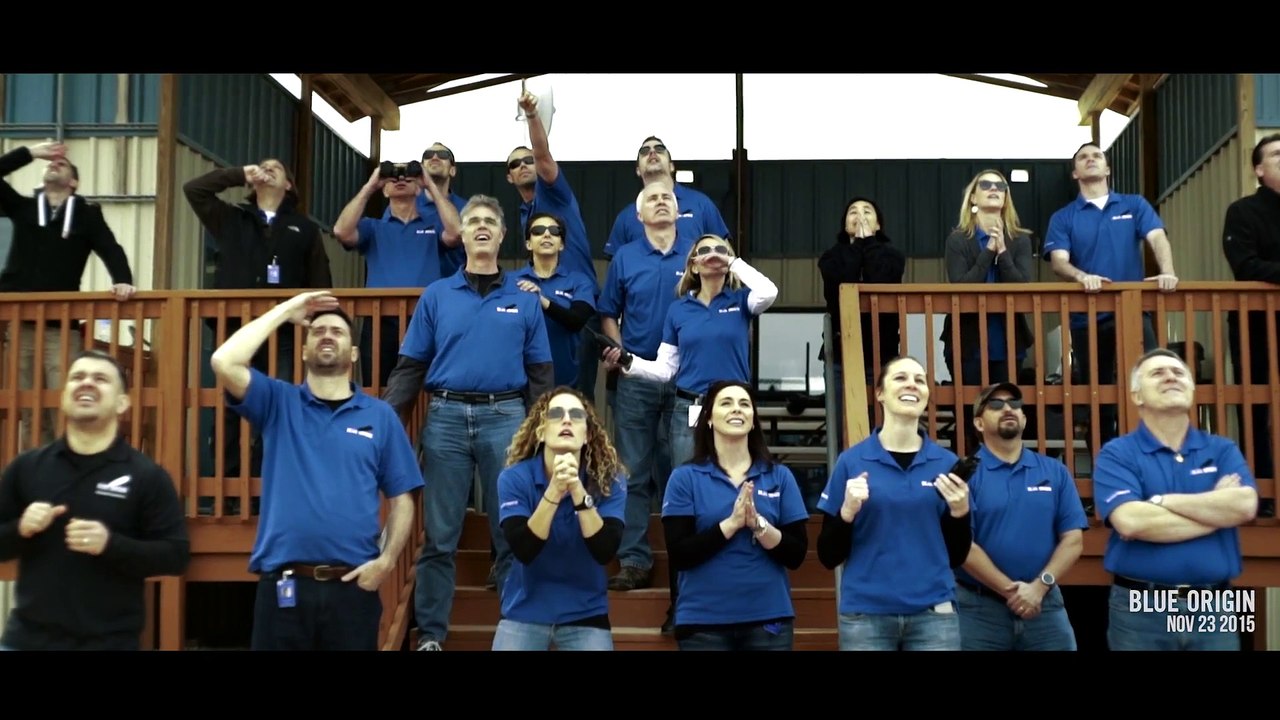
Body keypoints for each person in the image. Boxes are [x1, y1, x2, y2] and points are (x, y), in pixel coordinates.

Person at [383, 194, 554, 651]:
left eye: (489, 221)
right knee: (440, 535)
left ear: (501, 235)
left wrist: (542, 436)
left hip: (507, 419)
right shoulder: (438, 295)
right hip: (446, 420)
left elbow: (541, 376)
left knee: (512, 529)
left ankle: (519, 630)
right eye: (472, 220)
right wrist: (384, 421)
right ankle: (432, 636)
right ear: (461, 235)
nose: (480, 226)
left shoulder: (524, 299)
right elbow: (410, 367)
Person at [211, 292, 422, 650]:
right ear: (305, 351)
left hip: (352, 589)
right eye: (318, 330)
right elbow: (223, 360)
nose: (327, 335)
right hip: (284, 589)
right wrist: (283, 312)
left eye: (338, 332)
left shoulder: (380, 416)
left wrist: (386, 563)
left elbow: (403, 500)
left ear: (354, 354)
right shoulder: (278, 402)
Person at [0, 350, 189, 650]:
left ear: (122, 403)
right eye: (77, 377)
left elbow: (176, 556)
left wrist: (110, 545)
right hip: (27, 641)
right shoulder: (26, 468)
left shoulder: (146, 476)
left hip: (110, 643)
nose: (86, 383)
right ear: (64, 397)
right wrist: (20, 529)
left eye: (100, 379)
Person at [1093, 349, 1258, 651]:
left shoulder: (1222, 449)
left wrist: (1160, 501)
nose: (1171, 376)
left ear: (1192, 390)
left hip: (1214, 606)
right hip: (1139, 608)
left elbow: (1244, 507)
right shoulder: (1117, 454)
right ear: (1137, 395)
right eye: (1157, 373)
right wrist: (1215, 510)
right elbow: (1130, 522)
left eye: (1179, 372)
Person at [184, 157, 333, 478]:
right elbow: (194, 190)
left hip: (285, 334)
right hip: (236, 329)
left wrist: (320, 326)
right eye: (262, 166)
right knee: (231, 407)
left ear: (288, 184)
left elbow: (320, 280)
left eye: (276, 168)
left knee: (279, 405)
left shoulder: (304, 227)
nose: (267, 169)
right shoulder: (232, 218)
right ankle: (229, 487)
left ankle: (269, 481)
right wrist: (239, 173)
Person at [816, 355, 971, 651]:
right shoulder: (852, 461)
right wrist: (847, 511)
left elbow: (956, 556)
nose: (912, 385)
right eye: (900, 378)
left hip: (934, 614)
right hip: (866, 615)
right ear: (880, 394)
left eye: (920, 380)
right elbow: (827, 555)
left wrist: (960, 512)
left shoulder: (946, 463)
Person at [0, 142, 137, 450]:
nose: (54, 165)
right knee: (29, 409)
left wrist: (123, 281)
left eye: (62, 165)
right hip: (20, 326)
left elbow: (110, 249)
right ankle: (35, 479)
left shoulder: (86, 216)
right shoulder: (23, 208)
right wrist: (31, 154)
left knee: (62, 407)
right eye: (50, 164)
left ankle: (68, 471)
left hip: (60, 329)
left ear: (74, 182)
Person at [1043, 142, 1176, 446]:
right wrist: (1082, 276)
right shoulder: (1063, 217)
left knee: (1150, 382)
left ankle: (1153, 458)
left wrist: (1167, 271)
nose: (1090, 160)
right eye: (1083, 157)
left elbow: (1157, 237)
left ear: (1107, 169)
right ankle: (1105, 469)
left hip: (1132, 311)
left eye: (1096, 156)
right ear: (1075, 173)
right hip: (1086, 318)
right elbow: (1059, 262)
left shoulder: (1134, 204)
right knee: (1097, 396)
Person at [606, 234, 778, 468]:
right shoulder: (678, 310)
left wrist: (733, 262)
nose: (713, 252)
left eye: (720, 249)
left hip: (733, 404)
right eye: (705, 250)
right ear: (694, 266)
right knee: (687, 475)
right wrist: (629, 362)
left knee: (735, 473)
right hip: (690, 406)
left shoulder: (741, 301)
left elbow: (769, 292)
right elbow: (666, 370)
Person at [662, 380, 809, 650]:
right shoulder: (684, 478)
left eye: (744, 404)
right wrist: (731, 524)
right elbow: (680, 554)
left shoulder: (779, 476)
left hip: (768, 620)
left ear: (753, 420)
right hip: (702, 623)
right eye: (726, 403)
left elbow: (796, 554)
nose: (736, 410)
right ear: (708, 418)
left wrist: (757, 524)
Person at [597, 182, 692, 596]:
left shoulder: (696, 252)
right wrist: (621, 352)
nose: (660, 201)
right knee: (633, 474)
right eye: (652, 198)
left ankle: (686, 561)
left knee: (682, 474)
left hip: (685, 378)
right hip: (636, 379)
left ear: (678, 210)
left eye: (667, 197)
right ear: (638, 216)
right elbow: (607, 312)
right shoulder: (625, 257)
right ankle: (634, 559)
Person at [956, 382, 1088, 651]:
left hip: (1046, 608)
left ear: (1024, 419)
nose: (1007, 409)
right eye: (995, 405)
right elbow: (962, 545)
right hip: (979, 612)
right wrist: (1013, 593)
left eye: (1014, 404)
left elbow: (1073, 540)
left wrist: (1040, 588)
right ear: (979, 424)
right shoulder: (963, 475)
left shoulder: (1054, 471)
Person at [492, 387, 626, 651]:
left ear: (587, 435)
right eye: (556, 414)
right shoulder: (514, 477)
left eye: (576, 415)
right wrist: (554, 490)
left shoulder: (610, 480)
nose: (566, 420)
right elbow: (524, 549)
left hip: (586, 612)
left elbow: (605, 551)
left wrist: (576, 488)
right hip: (524, 610)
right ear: (540, 431)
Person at [332, 149, 462, 387]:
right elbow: (341, 231)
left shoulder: (433, 225)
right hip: (378, 317)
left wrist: (430, 185)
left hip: (424, 317)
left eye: (408, 178)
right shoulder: (373, 227)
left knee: (428, 389)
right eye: (393, 178)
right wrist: (370, 185)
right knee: (378, 387)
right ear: (384, 189)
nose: (400, 180)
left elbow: (456, 233)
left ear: (418, 187)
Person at [508, 91, 599, 400]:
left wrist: (532, 115)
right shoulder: (524, 215)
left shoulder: (555, 194)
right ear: (508, 177)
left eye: (528, 159)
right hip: (533, 314)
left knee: (576, 402)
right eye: (515, 163)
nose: (524, 164)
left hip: (575, 306)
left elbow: (544, 155)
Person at [940, 170, 1034, 452]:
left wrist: (1003, 252)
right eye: (986, 185)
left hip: (1007, 343)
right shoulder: (958, 240)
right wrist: (988, 253)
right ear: (973, 197)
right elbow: (962, 285)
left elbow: (1021, 286)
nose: (994, 189)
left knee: (1005, 412)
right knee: (970, 415)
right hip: (966, 343)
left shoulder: (1020, 239)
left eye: (1000, 186)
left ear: (1006, 197)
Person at [818, 197, 906, 430]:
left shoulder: (892, 256)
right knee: (841, 425)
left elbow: (881, 278)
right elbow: (843, 279)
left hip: (882, 354)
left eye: (867, 211)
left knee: (883, 424)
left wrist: (869, 243)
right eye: (853, 212)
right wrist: (858, 244)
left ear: (878, 225)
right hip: (840, 355)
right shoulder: (831, 257)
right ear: (845, 224)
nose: (860, 216)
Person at [1222, 133, 1280, 481]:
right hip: (1256, 323)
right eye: (1276, 154)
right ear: (1259, 169)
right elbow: (1245, 265)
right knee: (1255, 404)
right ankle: (1260, 486)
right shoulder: (1243, 211)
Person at [603, 136, 730, 257]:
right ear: (637, 170)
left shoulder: (701, 204)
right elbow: (617, 270)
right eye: (644, 151)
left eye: (659, 149)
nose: (652, 152)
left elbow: (725, 252)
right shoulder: (625, 217)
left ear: (671, 166)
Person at [512, 212, 597, 388]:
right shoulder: (511, 282)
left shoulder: (579, 281)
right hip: (520, 384)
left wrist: (542, 300)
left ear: (562, 245)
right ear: (528, 243)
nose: (546, 234)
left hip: (567, 382)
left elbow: (576, 321)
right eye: (538, 230)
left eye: (554, 231)